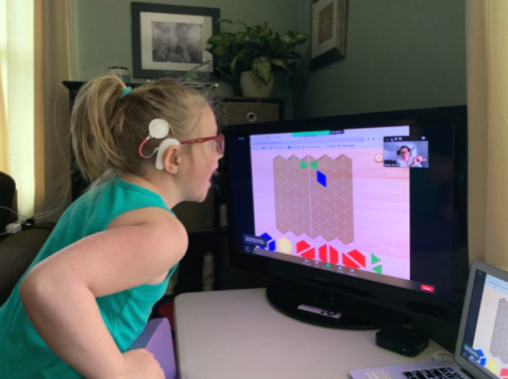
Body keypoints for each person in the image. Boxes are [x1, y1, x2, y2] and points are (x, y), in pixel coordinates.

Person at [0, 76, 224, 378]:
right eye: (212, 143)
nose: (219, 156)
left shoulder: (105, 188)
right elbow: (48, 286)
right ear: (173, 158)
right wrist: (121, 370)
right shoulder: (163, 234)